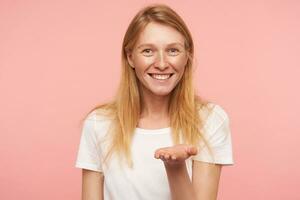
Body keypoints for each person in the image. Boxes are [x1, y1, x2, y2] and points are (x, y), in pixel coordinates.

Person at [75, 3, 234, 200]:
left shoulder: (210, 120)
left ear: (187, 56)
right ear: (130, 57)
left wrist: (176, 168)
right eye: (148, 51)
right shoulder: (98, 123)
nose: (161, 63)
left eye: (173, 51)